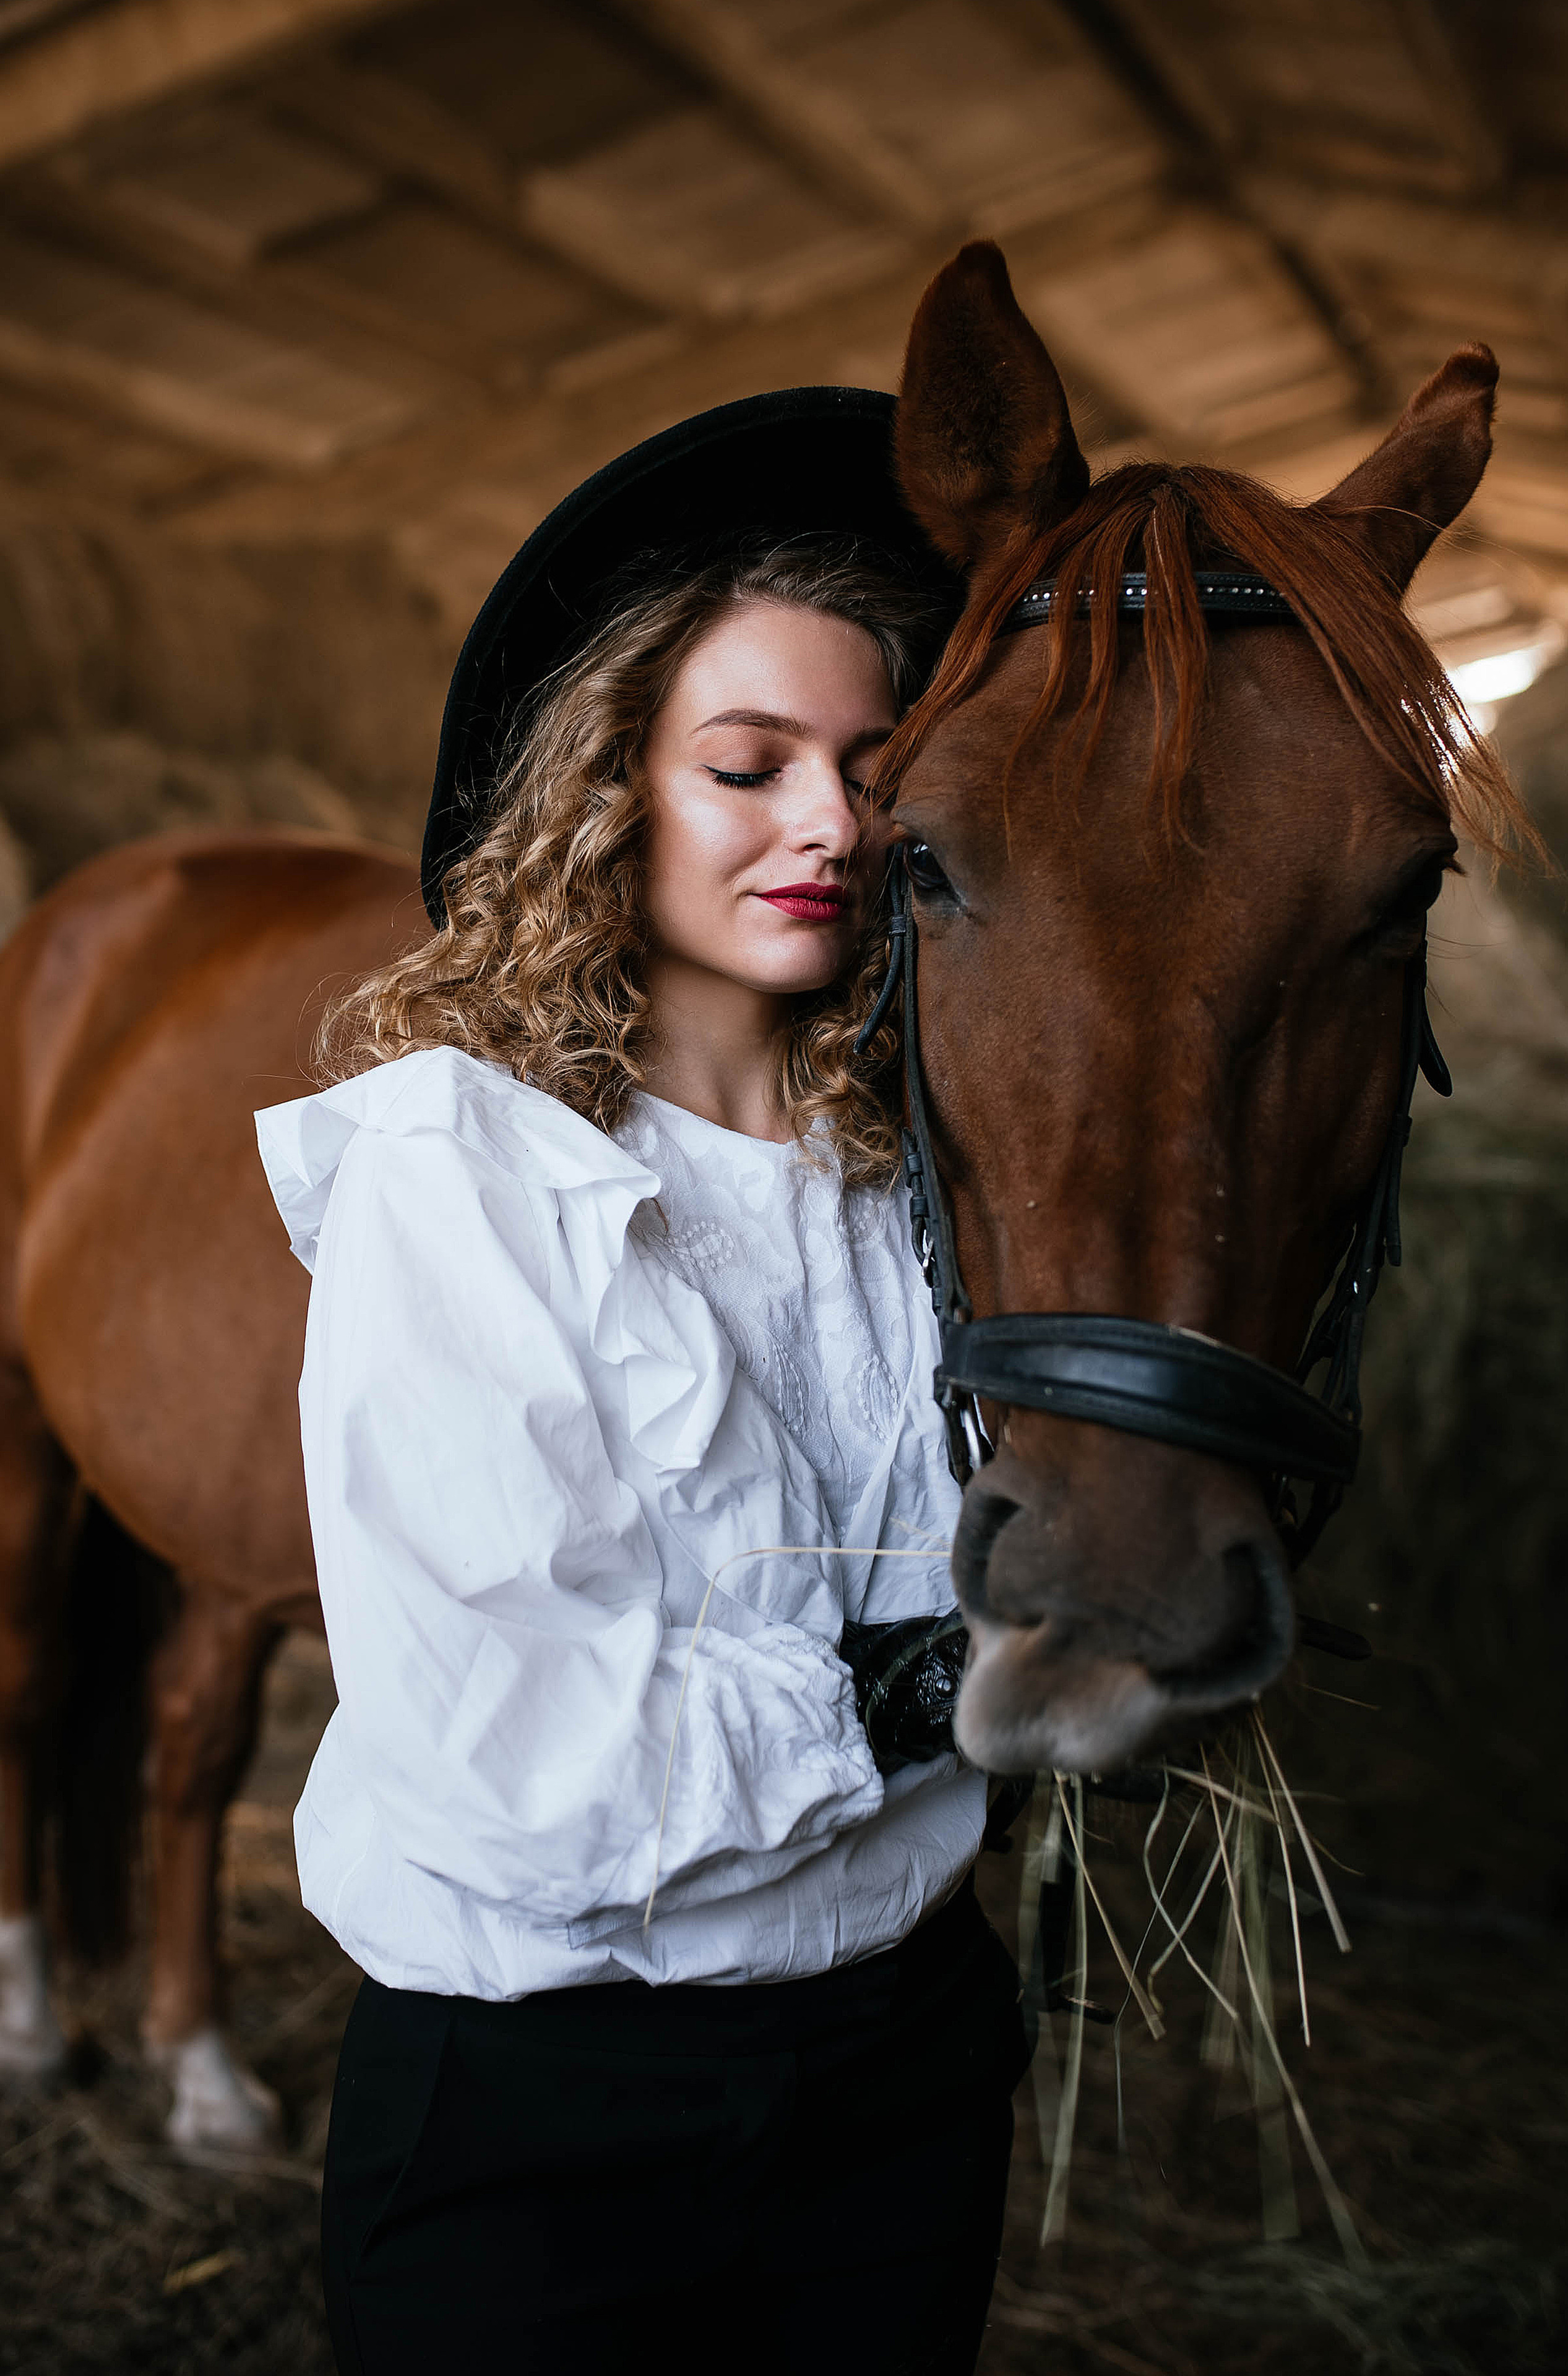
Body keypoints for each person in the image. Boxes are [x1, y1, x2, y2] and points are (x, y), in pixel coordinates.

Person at [256, 390, 1029, 2376]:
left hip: (908, 2064)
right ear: (615, 788)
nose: (831, 825)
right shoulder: (459, 1172)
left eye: (872, 771)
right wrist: (945, 1687)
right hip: (551, 2105)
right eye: (749, 766)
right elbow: (529, 1760)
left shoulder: (921, 1180)